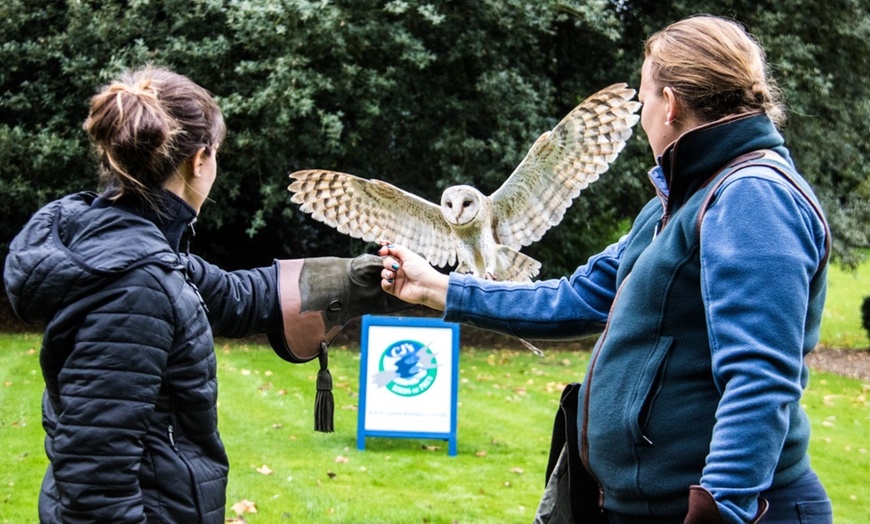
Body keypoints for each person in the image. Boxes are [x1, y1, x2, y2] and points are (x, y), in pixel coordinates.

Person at [378, 15, 833, 524]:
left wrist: (718, 512)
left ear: (671, 104)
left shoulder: (753, 197)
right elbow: (577, 297)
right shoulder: (680, 202)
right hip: (640, 508)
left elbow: (759, 377)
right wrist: (440, 288)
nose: (641, 119)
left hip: (721, 513)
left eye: (644, 97)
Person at [3, 66, 408, 523]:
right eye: (215, 154)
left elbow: (234, 296)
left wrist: (361, 280)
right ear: (199, 160)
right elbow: (95, 480)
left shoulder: (135, 247)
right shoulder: (134, 281)